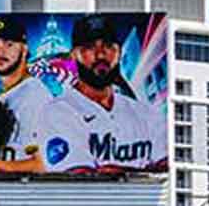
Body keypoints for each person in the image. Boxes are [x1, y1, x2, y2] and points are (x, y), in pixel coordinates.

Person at [37, 14, 168, 174]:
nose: (100, 55)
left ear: (118, 53)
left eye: (107, 46)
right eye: (90, 47)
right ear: (73, 56)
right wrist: (146, 171)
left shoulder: (145, 113)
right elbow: (82, 180)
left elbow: (169, 172)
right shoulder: (58, 111)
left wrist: (116, 172)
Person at [0, 14, 54, 173]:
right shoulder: (6, 95)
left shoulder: (34, 97)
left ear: (24, 49)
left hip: (29, 194)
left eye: (9, 44)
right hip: (10, 191)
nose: (1, 51)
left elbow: (43, 166)